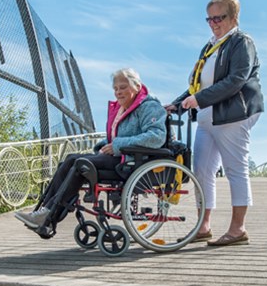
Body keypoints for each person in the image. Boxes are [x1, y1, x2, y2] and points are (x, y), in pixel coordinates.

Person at [165, 0, 263, 247]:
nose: (213, 23)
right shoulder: (209, 46)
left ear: (233, 17)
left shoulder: (242, 42)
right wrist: (178, 104)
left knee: (235, 169)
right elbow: (199, 86)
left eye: (219, 17)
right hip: (208, 116)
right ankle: (203, 226)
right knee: (202, 170)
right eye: (209, 18)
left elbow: (235, 80)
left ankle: (238, 228)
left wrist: (198, 99)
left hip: (233, 114)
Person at [15, 68, 167, 230]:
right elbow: (114, 137)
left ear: (137, 86)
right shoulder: (123, 108)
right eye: (115, 89)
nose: (118, 92)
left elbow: (156, 137)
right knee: (70, 160)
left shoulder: (148, 106)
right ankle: (43, 211)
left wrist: (117, 145)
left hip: (133, 161)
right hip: (120, 156)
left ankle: (49, 215)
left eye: (123, 87)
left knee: (81, 163)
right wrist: (103, 146)